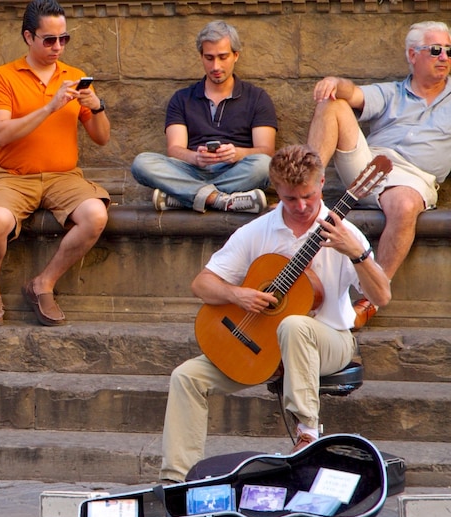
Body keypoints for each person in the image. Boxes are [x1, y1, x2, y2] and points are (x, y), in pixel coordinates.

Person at [158, 145, 391, 483]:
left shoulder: (346, 234)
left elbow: (382, 295)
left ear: (322, 182)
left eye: (308, 196)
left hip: (329, 340)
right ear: (276, 190)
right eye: (289, 198)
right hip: (261, 345)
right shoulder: (258, 231)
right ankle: (176, 482)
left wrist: (357, 254)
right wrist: (237, 294)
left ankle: (307, 432)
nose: (300, 207)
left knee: (295, 324)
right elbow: (202, 284)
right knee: (186, 377)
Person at [307, 21, 451, 328]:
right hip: (368, 167)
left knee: (405, 205)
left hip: (413, 177)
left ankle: (370, 297)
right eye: (436, 50)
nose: (444, 57)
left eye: (449, 51)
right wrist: (334, 82)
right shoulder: (392, 93)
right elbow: (354, 94)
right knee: (332, 105)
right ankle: (306, 190)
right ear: (413, 55)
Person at [0, 0, 111, 327]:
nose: (57, 47)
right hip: (12, 176)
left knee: (95, 215)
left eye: (64, 39)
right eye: (49, 39)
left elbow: (102, 138)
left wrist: (96, 106)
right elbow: (1, 134)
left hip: (63, 177)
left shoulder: (75, 76)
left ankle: (43, 283)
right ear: (28, 37)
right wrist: (49, 107)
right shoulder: (2, 77)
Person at [131, 20, 277, 214]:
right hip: (191, 169)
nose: (215, 66)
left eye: (222, 57)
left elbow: (267, 151)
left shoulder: (257, 97)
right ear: (201, 56)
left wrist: (237, 153)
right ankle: (219, 200)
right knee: (142, 163)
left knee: (264, 166)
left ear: (236, 55)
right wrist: (195, 158)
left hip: (236, 170)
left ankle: (184, 197)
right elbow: (174, 149)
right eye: (209, 58)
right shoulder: (182, 98)